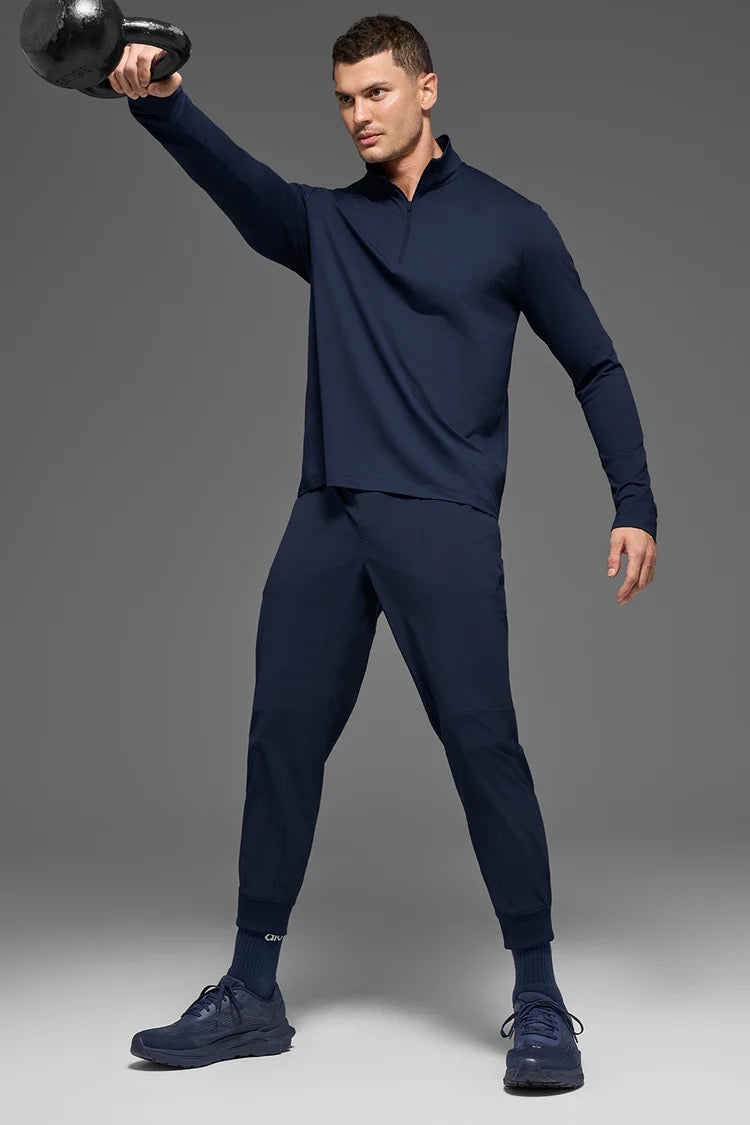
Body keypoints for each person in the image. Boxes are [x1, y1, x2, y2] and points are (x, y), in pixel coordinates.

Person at [117, 14, 658, 1087]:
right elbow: (240, 181)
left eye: (375, 93)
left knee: (482, 743)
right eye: (344, 99)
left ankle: (539, 999)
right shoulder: (328, 225)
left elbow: (595, 364)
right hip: (328, 516)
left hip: (442, 520)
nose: (358, 115)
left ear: (426, 90)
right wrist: (163, 105)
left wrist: (632, 501)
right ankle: (251, 991)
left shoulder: (511, 224)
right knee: (280, 737)